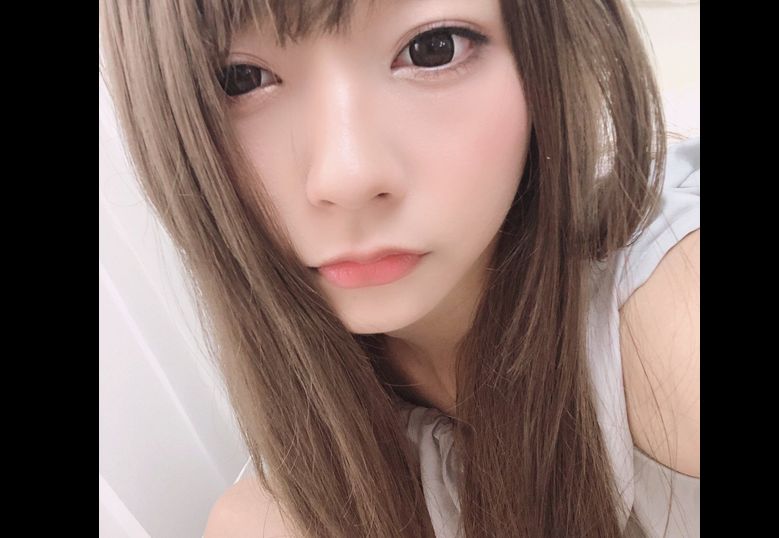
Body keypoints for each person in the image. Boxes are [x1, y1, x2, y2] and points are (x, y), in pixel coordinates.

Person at [99, 0, 699, 536]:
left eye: (433, 48)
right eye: (240, 79)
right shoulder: (270, 518)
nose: (346, 176)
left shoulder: (672, 316)